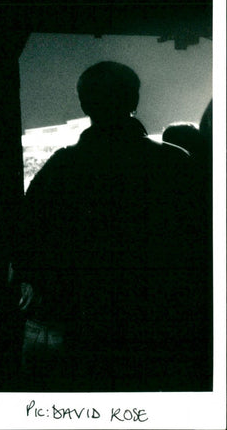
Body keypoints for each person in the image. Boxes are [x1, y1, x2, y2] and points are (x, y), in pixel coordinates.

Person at [14, 61, 207, 391]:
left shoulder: (60, 168)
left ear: (84, 104)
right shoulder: (176, 164)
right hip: (164, 330)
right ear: (135, 101)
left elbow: (26, 245)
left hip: (83, 333)